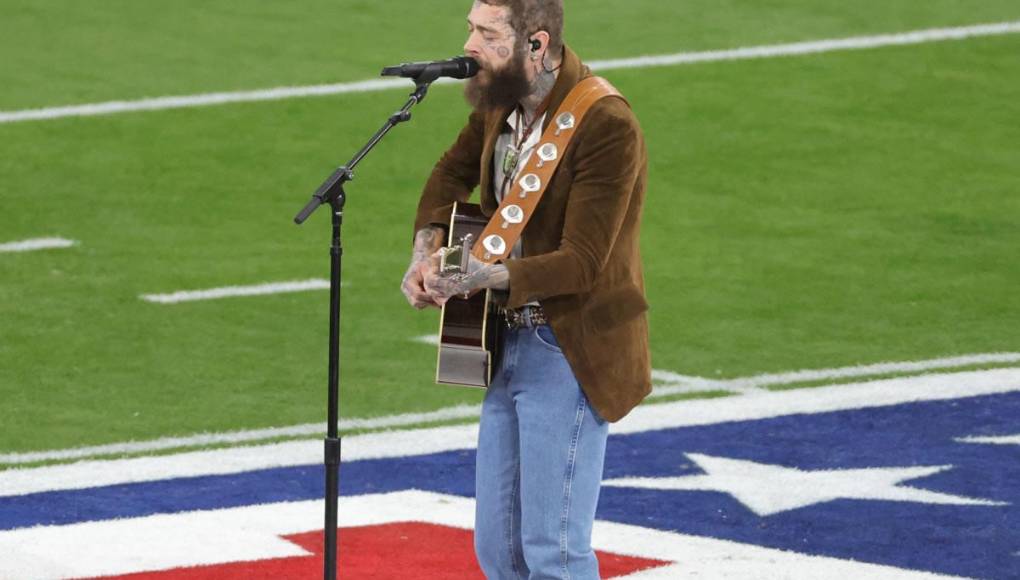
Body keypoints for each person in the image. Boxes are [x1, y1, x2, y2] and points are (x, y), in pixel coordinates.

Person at [400, 0, 650, 577]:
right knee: (500, 552)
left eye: (486, 33)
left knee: (553, 551)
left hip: (565, 347)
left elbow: (584, 263)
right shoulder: (501, 101)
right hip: (502, 339)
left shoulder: (605, 123)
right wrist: (424, 253)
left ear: (535, 46)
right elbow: (449, 173)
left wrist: (483, 276)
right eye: (470, 28)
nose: (468, 45)